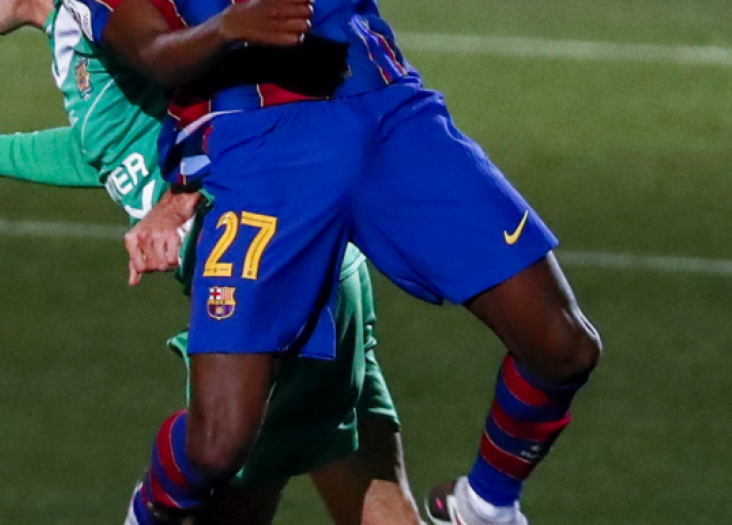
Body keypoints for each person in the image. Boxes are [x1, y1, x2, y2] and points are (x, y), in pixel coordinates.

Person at [0, 0, 425, 524]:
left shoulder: (113, 17)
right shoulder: (75, 33)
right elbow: (102, 148)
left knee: (222, 489)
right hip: (313, 265)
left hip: (265, 274)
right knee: (367, 493)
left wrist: (177, 202)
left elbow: (238, 89)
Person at [62, 0, 603, 524]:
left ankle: (484, 507)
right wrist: (228, 27)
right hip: (260, 153)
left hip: (390, 115)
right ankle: (148, 513)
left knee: (564, 348)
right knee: (216, 444)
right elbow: (152, 52)